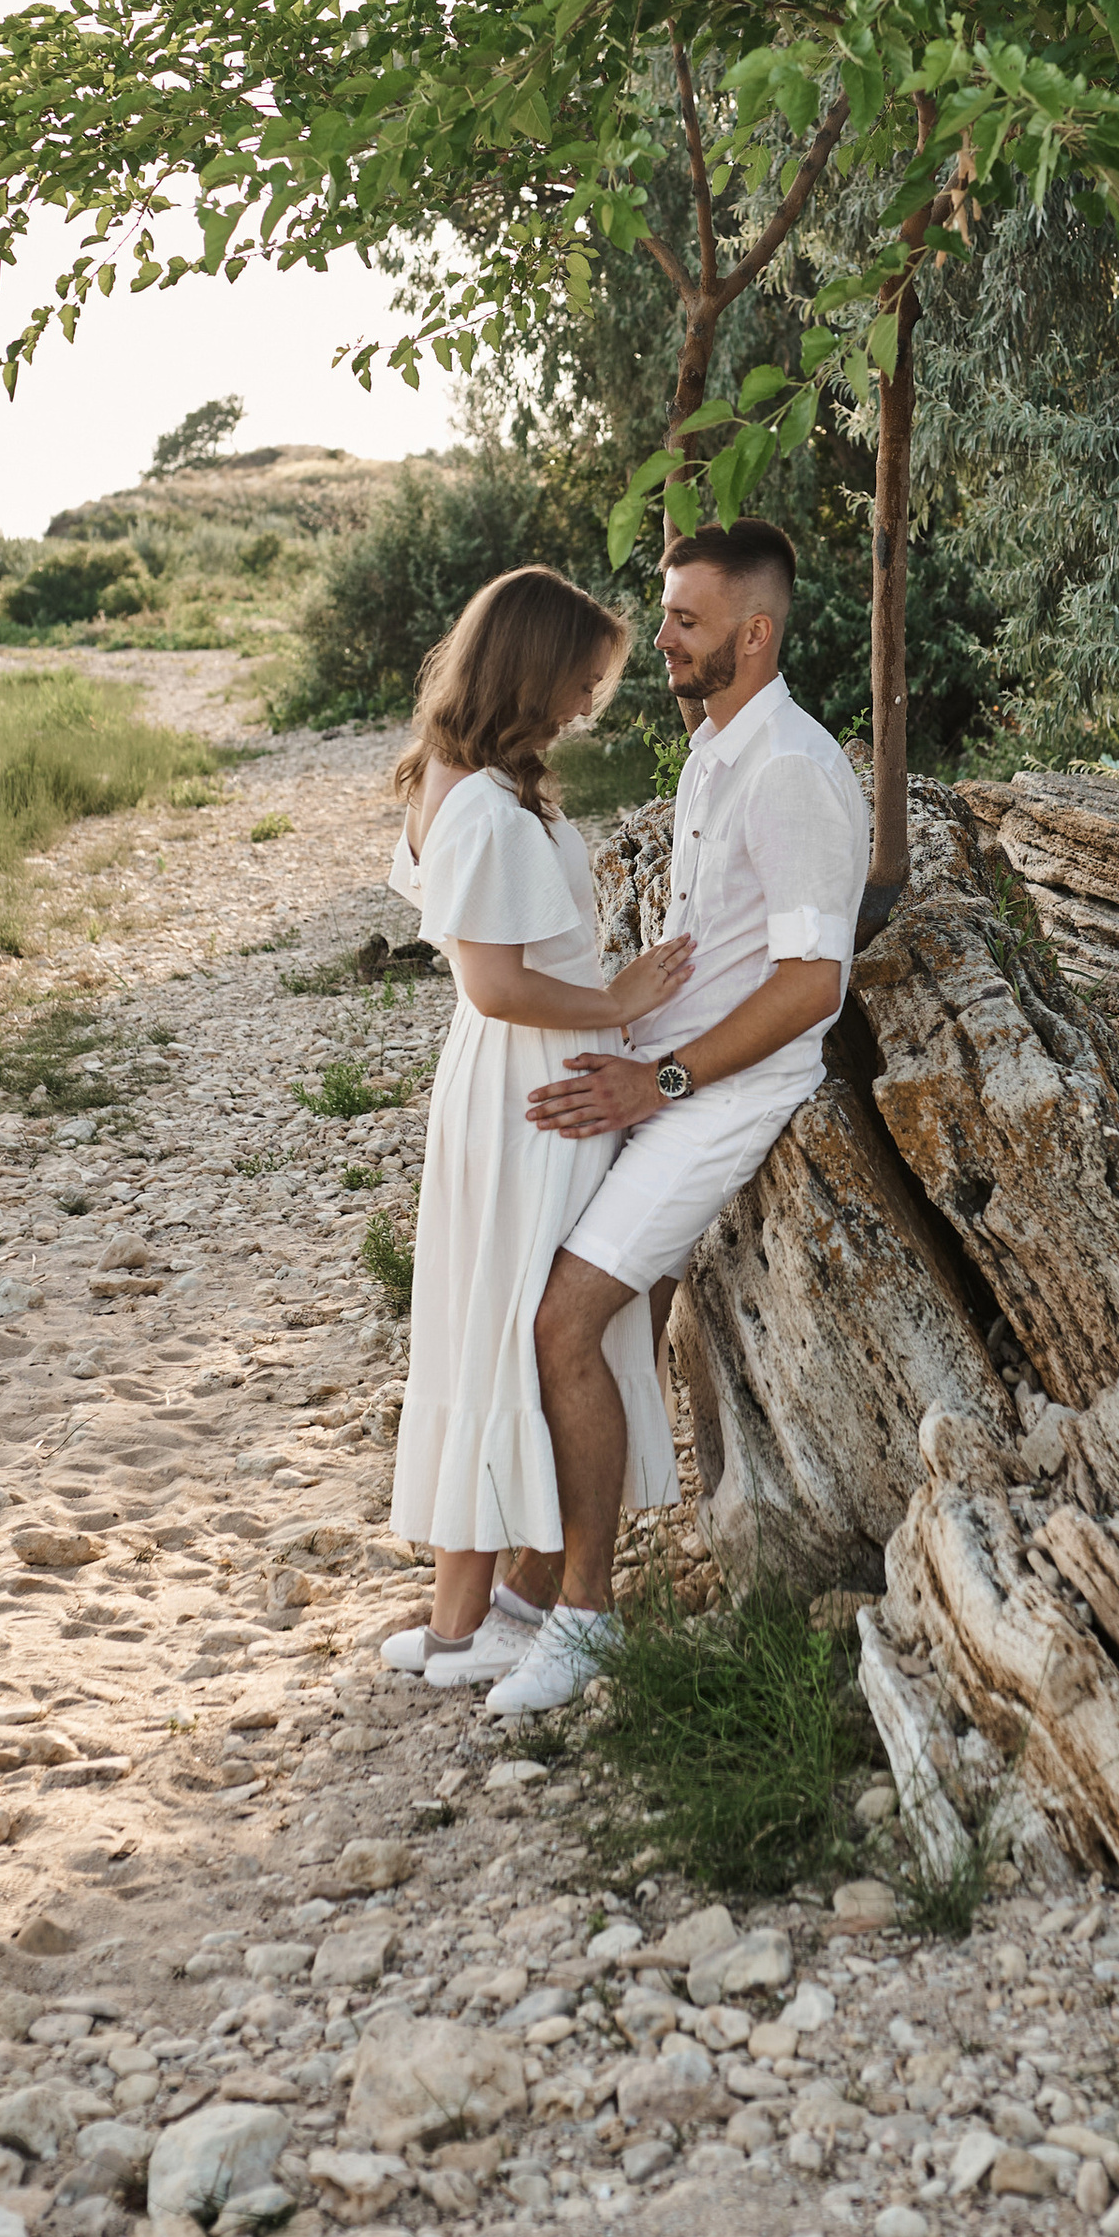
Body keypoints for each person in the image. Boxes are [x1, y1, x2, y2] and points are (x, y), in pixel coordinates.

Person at [488, 516, 871, 1718]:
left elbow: (814, 986)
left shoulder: (794, 771)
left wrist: (660, 1082)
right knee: (583, 1309)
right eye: (663, 614)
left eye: (685, 621)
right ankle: (528, 1582)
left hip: (726, 1094)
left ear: (752, 637)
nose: (658, 640)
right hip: (663, 1070)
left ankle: (586, 1618)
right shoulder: (717, 746)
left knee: (567, 1317)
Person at [376, 567, 696, 1688]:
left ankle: (470, 1614)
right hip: (535, 1083)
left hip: (515, 1083)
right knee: (521, 1329)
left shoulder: (473, 783)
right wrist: (619, 1001)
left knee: (494, 1329)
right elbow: (495, 984)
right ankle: (483, 1614)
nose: (588, 702)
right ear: (530, 668)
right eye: (578, 678)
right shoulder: (481, 807)